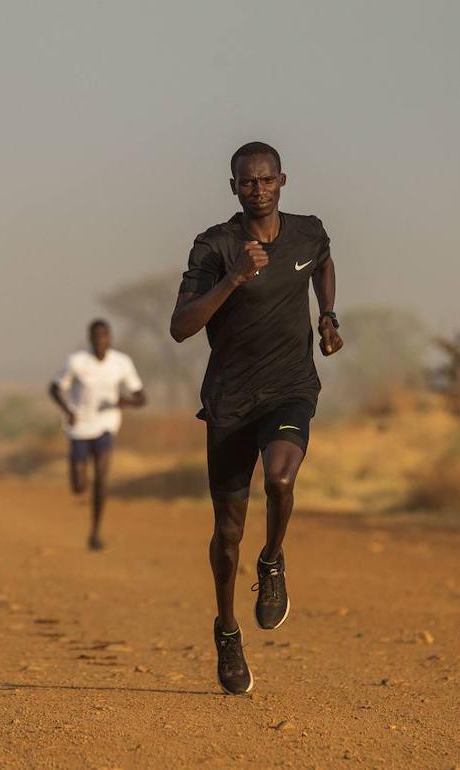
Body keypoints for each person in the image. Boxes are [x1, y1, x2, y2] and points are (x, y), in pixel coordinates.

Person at [170, 141, 344, 694]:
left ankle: (272, 561)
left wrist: (328, 317)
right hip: (229, 400)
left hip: (290, 387)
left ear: (282, 181)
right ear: (233, 188)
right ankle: (226, 629)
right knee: (226, 535)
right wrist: (235, 278)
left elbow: (323, 263)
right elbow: (180, 326)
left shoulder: (308, 231)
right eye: (247, 182)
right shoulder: (215, 245)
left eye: (266, 180)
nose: (258, 190)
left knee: (281, 478)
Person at [49, 319, 146, 551]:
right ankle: (80, 475)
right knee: (79, 486)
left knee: (102, 479)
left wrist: (127, 401)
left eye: (104, 336)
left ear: (109, 338)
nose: (100, 340)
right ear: (90, 339)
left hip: (106, 424)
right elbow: (54, 388)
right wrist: (68, 410)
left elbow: (142, 397)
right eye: (96, 336)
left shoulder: (121, 363)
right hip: (79, 427)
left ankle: (95, 533)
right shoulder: (77, 361)